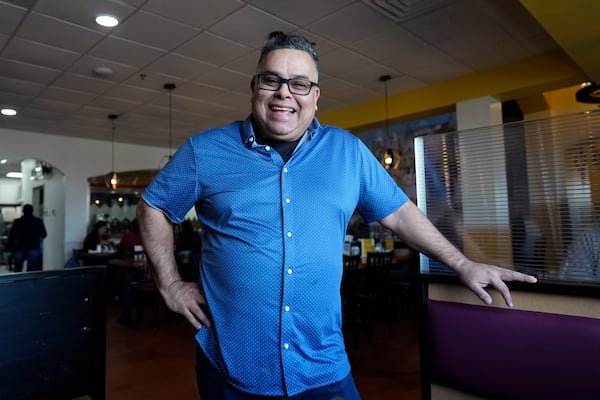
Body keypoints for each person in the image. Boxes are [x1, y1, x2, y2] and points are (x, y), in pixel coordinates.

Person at [137, 31, 537, 399]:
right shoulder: (205, 150)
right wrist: (170, 284)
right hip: (232, 367)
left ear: (315, 95)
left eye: (299, 84)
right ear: (254, 86)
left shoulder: (347, 151)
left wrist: (461, 262)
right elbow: (153, 205)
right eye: (271, 80)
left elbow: (400, 214)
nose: (284, 94)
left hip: (322, 366)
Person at [7, 204, 47, 272]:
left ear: (23, 211)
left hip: (20, 247)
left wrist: (10, 248)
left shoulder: (17, 222)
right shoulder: (38, 221)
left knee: (18, 269)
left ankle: (18, 282)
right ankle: (30, 282)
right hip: (33, 247)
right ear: (32, 211)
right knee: (32, 269)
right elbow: (44, 234)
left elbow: (12, 236)